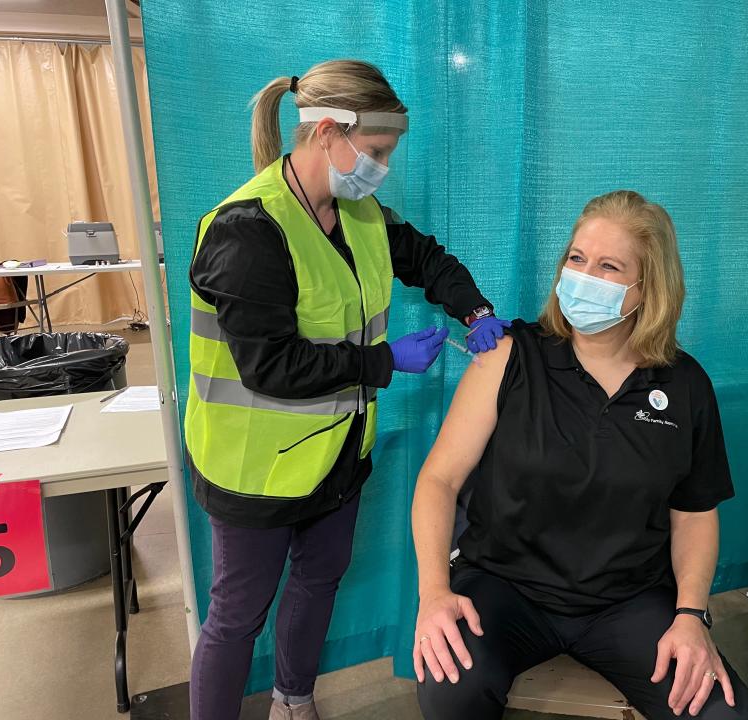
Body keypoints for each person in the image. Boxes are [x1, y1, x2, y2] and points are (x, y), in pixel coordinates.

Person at [185, 59, 510, 720]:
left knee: (318, 579)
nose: (382, 167)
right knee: (237, 616)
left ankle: (293, 700)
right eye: (379, 150)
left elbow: (425, 259)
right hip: (254, 472)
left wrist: (472, 310)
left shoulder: (357, 212)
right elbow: (269, 367)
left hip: (336, 456)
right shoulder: (247, 232)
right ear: (328, 132)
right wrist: (382, 362)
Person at [411, 191, 748, 720]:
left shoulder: (685, 385)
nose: (583, 277)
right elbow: (438, 480)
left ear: (648, 288)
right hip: (504, 587)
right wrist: (434, 593)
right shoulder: (511, 356)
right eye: (576, 260)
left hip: (629, 601)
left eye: (608, 266)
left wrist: (691, 615)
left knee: (730, 717)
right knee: (451, 691)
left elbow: (693, 512)